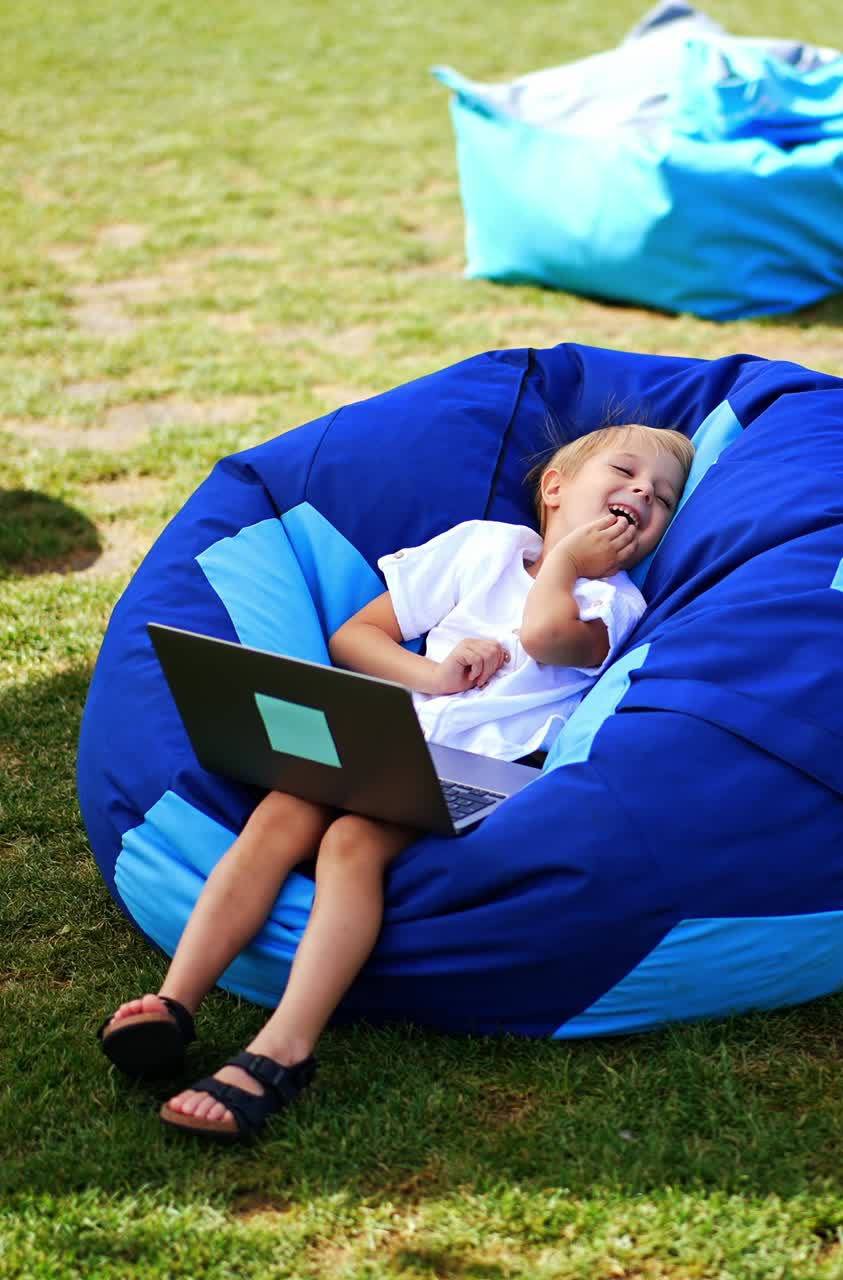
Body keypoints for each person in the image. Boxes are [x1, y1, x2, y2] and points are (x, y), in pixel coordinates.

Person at [97, 423, 694, 1141]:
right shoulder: (485, 546)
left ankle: (284, 1048)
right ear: (556, 488)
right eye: (625, 473)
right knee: (279, 813)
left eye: (661, 498)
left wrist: (566, 561)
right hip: (397, 738)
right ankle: (175, 1002)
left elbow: (542, 638)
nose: (641, 493)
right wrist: (432, 675)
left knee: (351, 843)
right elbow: (355, 638)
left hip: (492, 775)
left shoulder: (611, 602)